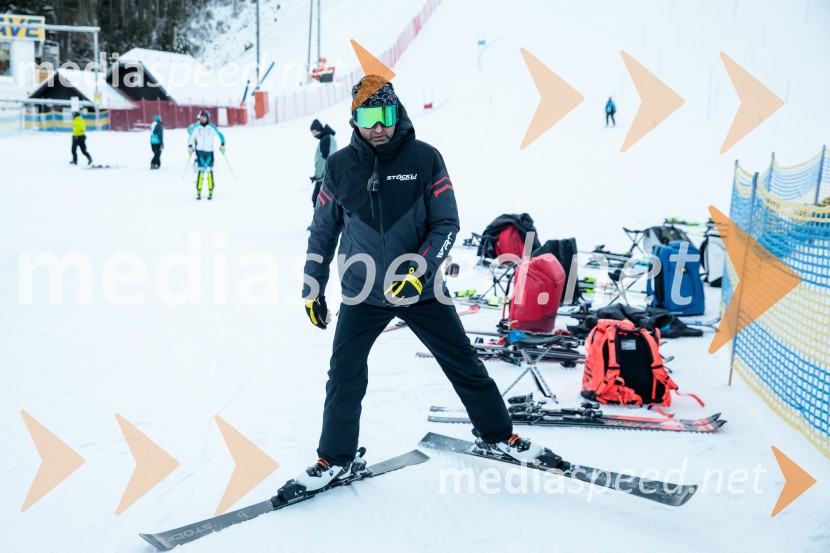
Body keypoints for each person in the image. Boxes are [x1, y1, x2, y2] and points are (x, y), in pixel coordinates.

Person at [292, 76, 544, 494]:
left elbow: (447, 223)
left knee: (463, 363)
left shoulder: (425, 159)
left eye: (386, 115)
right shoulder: (338, 169)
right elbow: (322, 233)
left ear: (397, 114)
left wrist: (419, 269)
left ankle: (498, 434)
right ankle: (336, 458)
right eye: (369, 117)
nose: (379, 127)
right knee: (344, 375)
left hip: (421, 289)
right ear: (354, 119)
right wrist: (312, 288)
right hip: (364, 290)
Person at [187, 111, 225, 200]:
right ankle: (198, 191)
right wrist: (190, 146)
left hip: (209, 153)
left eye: (204, 117)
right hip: (200, 153)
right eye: (201, 117)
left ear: (208, 118)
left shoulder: (212, 128)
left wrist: (222, 144)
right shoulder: (197, 128)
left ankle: (210, 190)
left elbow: (221, 136)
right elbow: (191, 138)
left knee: (209, 172)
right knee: (200, 172)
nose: (202, 119)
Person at [309, 119, 337, 206]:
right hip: (326, 175)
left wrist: (317, 175)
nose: (313, 134)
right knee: (321, 201)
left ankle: (321, 218)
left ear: (318, 130)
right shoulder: (327, 138)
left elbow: (324, 158)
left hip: (324, 176)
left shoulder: (326, 139)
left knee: (317, 200)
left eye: (314, 131)